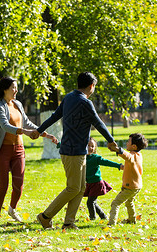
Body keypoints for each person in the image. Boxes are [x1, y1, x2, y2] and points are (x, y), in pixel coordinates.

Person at [33, 72, 118, 230]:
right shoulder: (85, 102)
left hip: (75, 151)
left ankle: (69, 222)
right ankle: (45, 216)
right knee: (73, 188)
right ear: (91, 86)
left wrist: (39, 130)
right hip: (73, 152)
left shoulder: (68, 97)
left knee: (80, 188)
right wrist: (111, 141)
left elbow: (53, 117)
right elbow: (99, 123)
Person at [0, 77, 57, 224]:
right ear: (5, 89)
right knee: (3, 186)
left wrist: (44, 133)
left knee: (19, 184)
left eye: (16, 88)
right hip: (3, 150)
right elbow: (5, 126)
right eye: (13, 88)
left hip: (18, 150)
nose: (16, 90)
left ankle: (12, 209)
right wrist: (24, 132)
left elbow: (27, 122)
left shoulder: (17, 104)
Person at [108, 133, 148, 226]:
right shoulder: (138, 155)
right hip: (137, 186)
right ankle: (131, 219)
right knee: (129, 202)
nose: (126, 143)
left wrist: (118, 149)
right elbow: (132, 164)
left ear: (134, 146)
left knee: (115, 203)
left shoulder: (132, 155)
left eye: (128, 142)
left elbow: (128, 157)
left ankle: (111, 223)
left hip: (130, 186)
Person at [84, 137, 124, 221]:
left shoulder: (95, 158)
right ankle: (103, 216)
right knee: (93, 202)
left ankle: (92, 218)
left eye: (92, 146)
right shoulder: (81, 158)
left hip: (96, 184)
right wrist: (59, 144)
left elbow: (107, 162)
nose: (90, 148)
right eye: (88, 145)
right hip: (89, 184)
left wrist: (118, 166)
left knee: (90, 202)